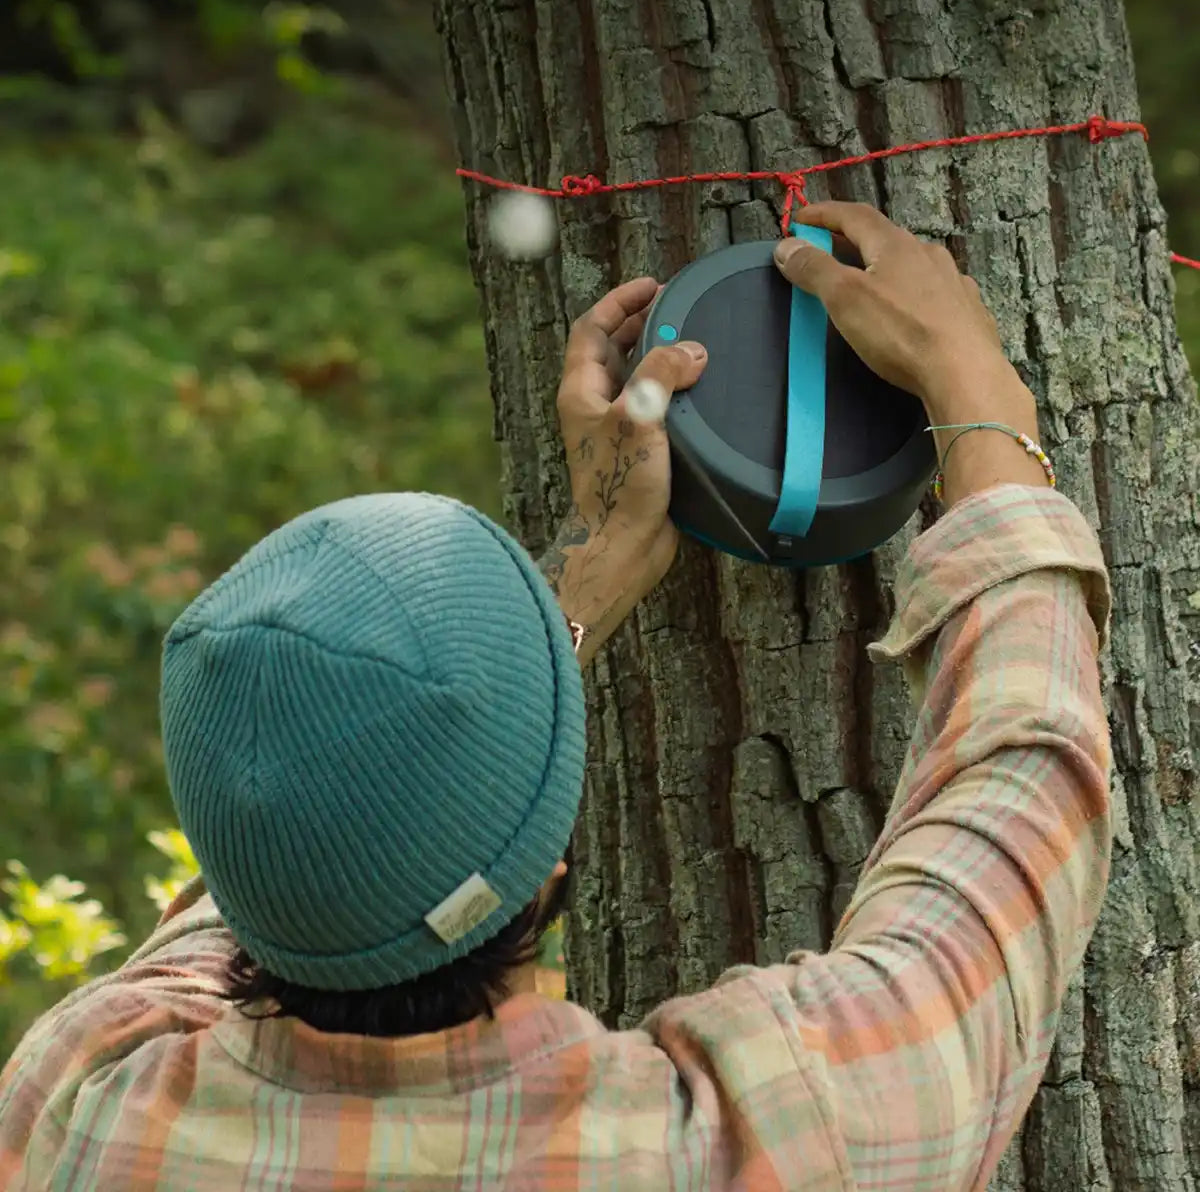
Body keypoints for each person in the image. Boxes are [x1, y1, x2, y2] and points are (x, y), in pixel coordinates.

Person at [0, 201, 1111, 1191]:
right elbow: (1015, 803)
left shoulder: (72, 1109)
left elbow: (311, 839)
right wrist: (974, 388)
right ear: (551, 871)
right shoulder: (741, 1143)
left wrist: (579, 579)